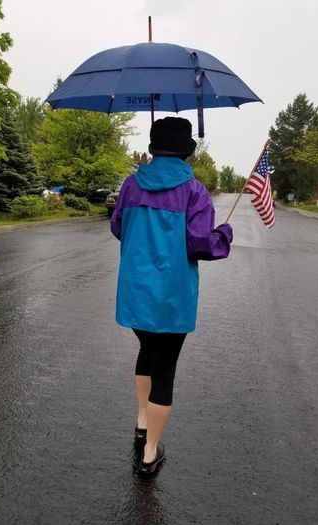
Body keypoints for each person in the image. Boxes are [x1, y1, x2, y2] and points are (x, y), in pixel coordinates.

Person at [110, 117, 233, 475]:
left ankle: (141, 420)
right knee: (164, 367)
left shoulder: (131, 185)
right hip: (172, 294)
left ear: (153, 147)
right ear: (188, 151)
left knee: (147, 351)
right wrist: (223, 234)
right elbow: (199, 243)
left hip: (135, 289)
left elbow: (118, 226)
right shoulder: (194, 191)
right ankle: (149, 453)